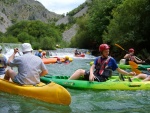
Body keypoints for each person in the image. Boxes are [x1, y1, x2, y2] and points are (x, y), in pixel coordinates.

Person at [69, 44, 135, 82]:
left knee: (83, 73)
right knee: (80, 71)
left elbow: (119, 70)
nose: (107, 53)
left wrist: (128, 74)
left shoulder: (111, 60)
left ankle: (67, 83)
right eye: (106, 51)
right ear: (101, 52)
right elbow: (92, 67)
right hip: (95, 75)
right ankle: (68, 82)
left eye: (108, 51)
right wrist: (91, 74)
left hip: (102, 78)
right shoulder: (98, 59)